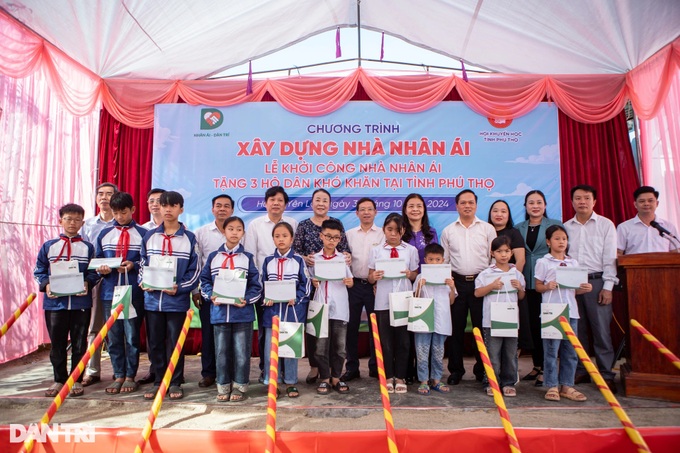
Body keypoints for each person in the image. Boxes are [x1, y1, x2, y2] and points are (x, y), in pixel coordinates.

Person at [139, 191, 201, 400]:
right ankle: (158, 381)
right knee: (154, 342)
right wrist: (143, 282)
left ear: (181, 209)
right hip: (152, 301)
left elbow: (195, 271)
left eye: (173, 206)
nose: (167, 209)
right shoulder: (149, 236)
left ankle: (175, 382)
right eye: (164, 205)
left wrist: (180, 288)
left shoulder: (190, 239)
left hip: (176, 301)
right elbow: (142, 264)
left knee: (176, 342)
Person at [34, 203, 99, 398]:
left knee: (79, 344)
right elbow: (39, 271)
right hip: (55, 305)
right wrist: (46, 285)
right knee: (57, 344)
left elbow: (94, 272)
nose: (72, 223)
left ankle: (76, 380)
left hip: (80, 304)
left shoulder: (88, 248)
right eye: (68, 219)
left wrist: (88, 283)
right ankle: (59, 380)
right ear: (60, 220)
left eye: (77, 219)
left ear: (82, 222)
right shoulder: (49, 246)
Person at [200, 216, 262, 402]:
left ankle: (240, 386)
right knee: (221, 352)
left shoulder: (248, 258)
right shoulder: (213, 257)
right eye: (231, 229)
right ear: (224, 232)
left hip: (242, 313)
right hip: (219, 314)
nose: (234, 232)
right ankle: (223, 385)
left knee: (242, 352)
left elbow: (256, 285)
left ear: (243, 234)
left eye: (238, 229)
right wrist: (211, 295)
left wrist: (247, 299)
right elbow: (205, 281)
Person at [564, 185, 619, 393]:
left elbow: (609, 259)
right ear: (572, 202)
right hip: (573, 281)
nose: (582, 202)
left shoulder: (606, 225)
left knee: (601, 331)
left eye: (586, 198)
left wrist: (607, 286)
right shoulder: (566, 227)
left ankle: (606, 374)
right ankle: (581, 369)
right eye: (578, 198)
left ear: (594, 201)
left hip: (597, 281)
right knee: (578, 331)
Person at [292, 188, 350, 385]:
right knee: (317, 336)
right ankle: (317, 370)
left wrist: (347, 262)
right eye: (317, 200)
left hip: (338, 300)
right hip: (313, 288)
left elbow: (346, 254)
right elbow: (295, 252)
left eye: (325, 200)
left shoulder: (337, 227)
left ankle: (334, 376)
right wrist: (306, 260)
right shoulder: (303, 225)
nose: (321, 203)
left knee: (337, 342)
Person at [440, 189, 496, 385]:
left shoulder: (487, 229)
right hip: (457, 282)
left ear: (476, 205)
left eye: (471, 202)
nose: (467, 206)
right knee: (455, 328)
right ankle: (456, 370)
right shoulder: (448, 231)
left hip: (482, 282)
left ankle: (482, 370)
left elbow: (493, 258)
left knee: (482, 328)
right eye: (463, 203)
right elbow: (445, 261)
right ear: (456, 206)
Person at [95, 192, 148, 394]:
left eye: (123, 212)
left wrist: (133, 264)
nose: (119, 216)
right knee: (114, 336)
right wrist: (103, 268)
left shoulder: (144, 234)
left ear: (133, 210)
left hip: (134, 291)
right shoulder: (104, 234)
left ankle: (130, 376)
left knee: (132, 335)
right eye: (116, 213)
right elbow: (97, 260)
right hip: (110, 291)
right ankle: (118, 374)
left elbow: (148, 262)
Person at [244, 186, 298, 380]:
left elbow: (296, 254)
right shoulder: (255, 225)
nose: (276, 203)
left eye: (280, 200)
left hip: (289, 290)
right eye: (272, 199)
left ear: (285, 204)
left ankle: (286, 372)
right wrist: (259, 286)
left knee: (287, 329)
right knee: (265, 331)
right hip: (264, 288)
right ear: (265, 203)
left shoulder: (292, 223)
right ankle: (266, 370)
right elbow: (251, 256)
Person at [535, 225, 592, 402]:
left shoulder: (573, 263)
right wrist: (547, 286)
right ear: (548, 241)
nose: (561, 242)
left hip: (571, 311)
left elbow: (575, 290)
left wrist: (585, 288)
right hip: (552, 311)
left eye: (564, 239)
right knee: (552, 350)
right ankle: (552, 385)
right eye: (557, 238)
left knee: (570, 350)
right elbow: (537, 287)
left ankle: (567, 385)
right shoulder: (543, 262)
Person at [515, 190, 563, 386]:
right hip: (527, 282)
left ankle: (548, 368)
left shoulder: (555, 226)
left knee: (548, 326)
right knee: (532, 325)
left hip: (549, 284)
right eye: (531, 203)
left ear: (545, 205)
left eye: (539, 202)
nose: (535, 206)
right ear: (525, 206)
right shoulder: (518, 228)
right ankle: (537, 365)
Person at [368, 213, 419, 394]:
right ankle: (388, 376)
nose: (393, 234)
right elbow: (370, 276)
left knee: (404, 341)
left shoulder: (410, 250)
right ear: (384, 230)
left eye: (397, 230)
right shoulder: (376, 250)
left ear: (403, 231)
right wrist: (374, 277)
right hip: (383, 300)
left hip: (403, 300)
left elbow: (414, 275)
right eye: (389, 229)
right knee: (386, 341)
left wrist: (409, 274)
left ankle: (401, 376)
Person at [261, 222, 311, 398]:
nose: (281, 239)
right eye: (277, 236)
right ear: (273, 239)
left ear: (292, 238)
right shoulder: (268, 261)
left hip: (292, 312)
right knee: (270, 350)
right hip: (272, 313)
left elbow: (306, 285)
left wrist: (296, 298)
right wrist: (265, 298)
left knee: (290, 350)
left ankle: (290, 382)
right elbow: (262, 285)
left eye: (284, 236)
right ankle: (272, 382)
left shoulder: (298, 261)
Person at [475, 236, 526, 397]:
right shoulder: (486, 273)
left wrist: (519, 289)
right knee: (493, 353)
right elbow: (477, 293)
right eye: (499, 251)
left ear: (511, 253)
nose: (503, 255)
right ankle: (491, 382)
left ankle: (509, 382)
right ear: (492, 253)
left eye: (506, 251)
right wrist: (491, 286)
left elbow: (522, 297)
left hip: (511, 319)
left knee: (510, 353)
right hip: (491, 320)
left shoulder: (516, 273)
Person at [193, 194, 235, 388]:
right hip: (210, 292)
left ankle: (230, 372)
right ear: (212, 209)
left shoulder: (236, 232)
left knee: (231, 334)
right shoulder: (201, 233)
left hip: (234, 292)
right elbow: (196, 263)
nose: (222, 209)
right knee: (209, 333)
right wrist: (196, 290)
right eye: (218, 206)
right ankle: (209, 373)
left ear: (232, 210)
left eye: (226, 206)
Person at [342, 198, 385, 382]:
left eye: (370, 209)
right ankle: (352, 367)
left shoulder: (383, 234)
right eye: (362, 209)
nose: (366, 212)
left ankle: (375, 366)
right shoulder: (349, 234)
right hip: (353, 286)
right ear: (356, 213)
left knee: (377, 327)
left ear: (376, 212)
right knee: (350, 327)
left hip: (376, 287)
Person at [309, 219, 354, 395]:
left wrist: (350, 282)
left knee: (340, 346)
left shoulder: (343, 258)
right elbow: (309, 280)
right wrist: (313, 281)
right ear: (321, 236)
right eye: (328, 236)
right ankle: (325, 378)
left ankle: (336, 377)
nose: (331, 240)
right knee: (320, 346)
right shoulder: (314, 259)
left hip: (340, 307)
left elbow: (350, 282)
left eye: (335, 237)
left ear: (340, 239)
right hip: (321, 306)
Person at [81, 182, 118, 387]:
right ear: (96, 198)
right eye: (101, 194)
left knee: (116, 327)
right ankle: (92, 370)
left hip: (117, 280)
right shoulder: (87, 225)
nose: (104, 198)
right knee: (94, 327)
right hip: (94, 281)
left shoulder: (121, 223)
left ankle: (118, 370)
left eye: (109, 194)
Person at [412, 243, 455, 395]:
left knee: (438, 350)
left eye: (438, 259)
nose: (434, 262)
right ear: (425, 260)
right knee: (422, 350)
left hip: (441, 318)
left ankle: (436, 379)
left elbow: (451, 301)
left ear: (443, 260)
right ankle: (423, 380)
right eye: (431, 259)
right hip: (423, 318)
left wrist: (451, 287)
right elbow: (415, 298)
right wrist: (419, 285)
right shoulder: (420, 277)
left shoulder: (447, 277)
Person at [139, 188, 166, 385]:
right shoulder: (143, 230)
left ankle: (173, 372)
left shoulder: (183, 231)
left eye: (159, 201)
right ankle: (154, 369)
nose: (155, 204)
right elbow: (141, 260)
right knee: (153, 335)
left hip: (172, 292)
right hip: (149, 290)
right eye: (151, 201)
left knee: (170, 335)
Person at [617, 186, 679, 254]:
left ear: (657, 203)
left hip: (663, 264)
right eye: (642, 201)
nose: (646, 204)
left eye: (650, 201)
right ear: (635, 204)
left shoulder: (668, 227)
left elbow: (675, 252)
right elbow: (618, 253)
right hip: (634, 264)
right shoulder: (624, 227)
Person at [487, 200, 526, 271]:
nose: (499, 214)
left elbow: (520, 260)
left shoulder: (514, 233)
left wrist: (512, 277)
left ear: (508, 215)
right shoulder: (484, 231)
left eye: (503, 211)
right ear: (490, 213)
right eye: (495, 211)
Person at [402, 193, 439, 266]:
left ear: (424, 209)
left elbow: (437, 257)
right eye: (411, 206)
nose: (415, 209)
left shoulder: (431, 232)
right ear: (405, 210)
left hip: (427, 276)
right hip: (404, 276)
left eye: (419, 206)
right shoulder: (400, 232)